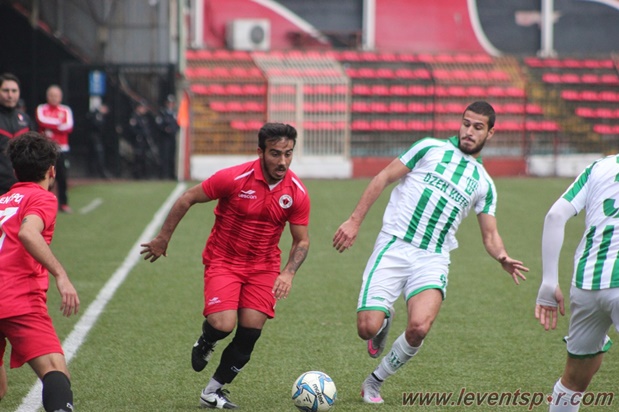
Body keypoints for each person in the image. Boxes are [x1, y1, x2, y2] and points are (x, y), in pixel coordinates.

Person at [333, 101, 529, 404]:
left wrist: (502, 256)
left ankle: (374, 381)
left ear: (490, 133)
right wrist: (354, 221)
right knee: (366, 328)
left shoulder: (485, 184)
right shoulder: (429, 148)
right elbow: (383, 177)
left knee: (419, 328)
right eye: (466, 123)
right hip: (395, 245)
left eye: (478, 127)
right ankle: (383, 321)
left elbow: (490, 234)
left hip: (433, 257)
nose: (469, 131)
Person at [140, 122, 310, 409]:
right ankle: (208, 340)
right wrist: (163, 238)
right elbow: (187, 198)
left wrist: (288, 273)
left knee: (250, 331)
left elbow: (301, 241)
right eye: (275, 153)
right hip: (224, 260)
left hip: (264, 267)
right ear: (260, 152)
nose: (282, 161)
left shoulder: (296, 192)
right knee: (223, 325)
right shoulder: (234, 178)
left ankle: (212, 392)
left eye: (288, 153)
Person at [0, 131, 80, 411]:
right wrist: (61, 275)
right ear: (51, 171)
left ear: (15, 170)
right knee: (55, 371)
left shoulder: (2, 200)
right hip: (16, 297)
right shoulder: (41, 198)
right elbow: (28, 233)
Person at [535, 154, 619, 411]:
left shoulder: (599, 167)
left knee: (573, 380)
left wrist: (549, 281)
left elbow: (554, 216)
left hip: (586, 282)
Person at [35, 85, 74, 213]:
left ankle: (64, 203)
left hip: (62, 149)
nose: (53, 98)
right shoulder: (41, 109)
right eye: (51, 95)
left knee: (62, 177)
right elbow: (41, 121)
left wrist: (51, 125)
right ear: (47, 96)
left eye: (56, 95)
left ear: (60, 97)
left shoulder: (65, 110)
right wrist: (58, 123)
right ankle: (42, 203)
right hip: (45, 149)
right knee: (44, 177)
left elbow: (68, 127)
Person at [0, 73, 36, 194]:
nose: (10, 95)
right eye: (6, 90)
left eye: (14, 91)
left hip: (21, 187)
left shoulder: (25, 119)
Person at [128, 100, 157, 179]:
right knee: (138, 157)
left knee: (144, 158)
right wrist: (141, 134)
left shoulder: (144, 118)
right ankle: (136, 175)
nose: (144, 110)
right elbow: (132, 130)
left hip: (144, 141)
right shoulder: (134, 117)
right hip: (138, 140)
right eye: (142, 108)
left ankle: (143, 174)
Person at [155, 94, 180, 180]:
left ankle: (171, 174)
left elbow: (178, 124)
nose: (171, 105)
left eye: (172, 103)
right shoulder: (162, 113)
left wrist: (173, 130)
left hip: (172, 137)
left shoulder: (175, 114)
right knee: (164, 156)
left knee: (172, 156)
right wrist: (165, 129)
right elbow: (159, 124)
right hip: (164, 138)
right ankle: (164, 174)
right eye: (169, 103)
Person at [85, 103, 112, 179]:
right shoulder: (95, 114)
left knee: (96, 154)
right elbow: (95, 124)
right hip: (94, 138)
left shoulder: (102, 116)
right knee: (97, 154)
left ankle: (96, 171)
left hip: (99, 138)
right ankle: (98, 171)